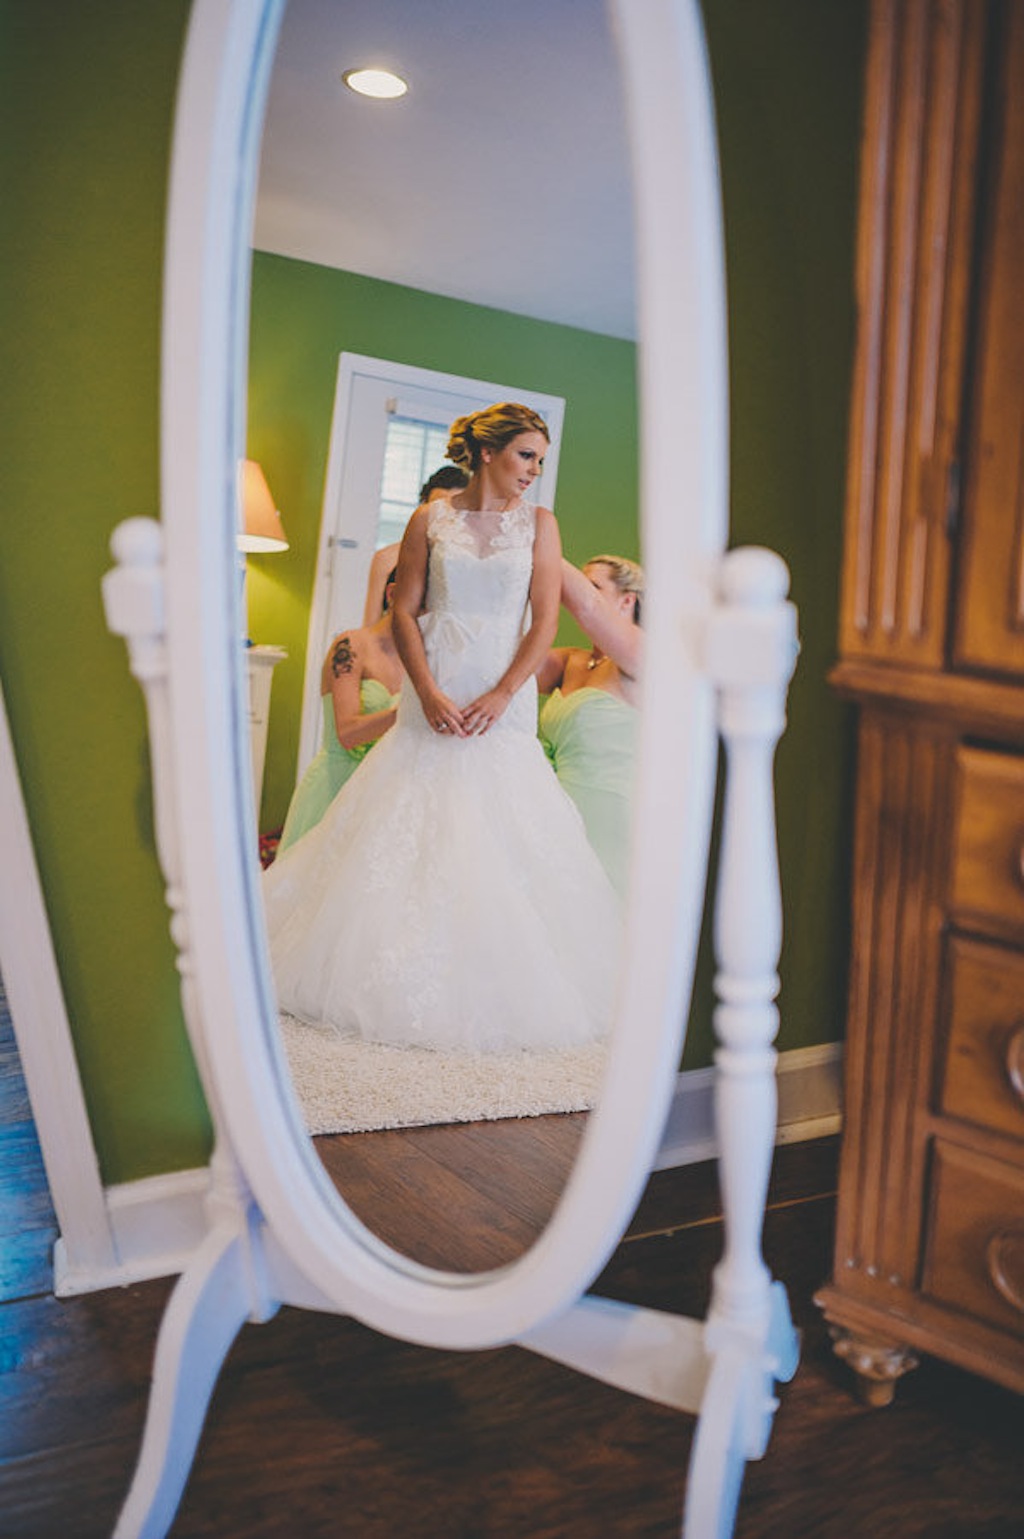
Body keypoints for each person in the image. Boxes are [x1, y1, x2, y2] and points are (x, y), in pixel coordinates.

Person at [263, 403, 622, 1054]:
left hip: (500, 693)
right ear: (487, 453)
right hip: (436, 685)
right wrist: (424, 692)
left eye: (540, 458)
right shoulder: (431, 518)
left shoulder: (541, 525)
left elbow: (544, 619)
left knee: (503, 818)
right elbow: (404, 609)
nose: (534, 471)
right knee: (407, 813)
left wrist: (504, 693)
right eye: (525, 455)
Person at [536, 555, 644, 896]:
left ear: (627, 600)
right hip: (552, 807)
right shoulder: (572, 660)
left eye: (593, 586)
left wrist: (533, 531)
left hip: (608, 813)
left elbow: (586, 608)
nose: (576, 592)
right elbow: (504, 665)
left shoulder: (642, 653)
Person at [277, 570, 405, 856]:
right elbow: (347, 733)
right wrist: (407, 712)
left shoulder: (424, 662)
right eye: (420, 601)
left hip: (381, 795)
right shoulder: (351, 646)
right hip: (334, 789)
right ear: (393, 595)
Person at [361, 464, 470, 625]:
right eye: (438, 510)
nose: (445, 519)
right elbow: (370, 625)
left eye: (454, 512)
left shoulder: (470, 564)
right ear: (422, 509)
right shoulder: (386, 560)